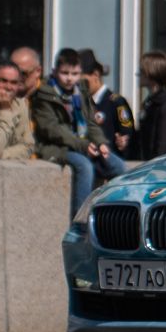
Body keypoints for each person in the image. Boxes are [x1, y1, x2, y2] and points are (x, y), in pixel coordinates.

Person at [30, 48, 127, 212]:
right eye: (64, 73)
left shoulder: (80, 91)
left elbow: (91, 122)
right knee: (84, 166)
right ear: (55, 71)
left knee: (118, 166)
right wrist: (82, 145)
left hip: (83, 143)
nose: (69, 78)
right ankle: (80, 220)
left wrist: (101, 143)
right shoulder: (45, 94)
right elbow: (52, 129)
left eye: (74, 73)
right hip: (57, 146)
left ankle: (111, 212)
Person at [75, 49, 135, 158]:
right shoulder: (80, 102)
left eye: (83, 81)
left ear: (96, 75)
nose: (80, 86)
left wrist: (123, 142)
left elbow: (127, 136)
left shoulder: (116, 102)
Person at [134, 50, 166, 161]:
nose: (137, 74)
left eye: (141, 71)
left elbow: (162, 145)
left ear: (152, 73)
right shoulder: (150, 102)